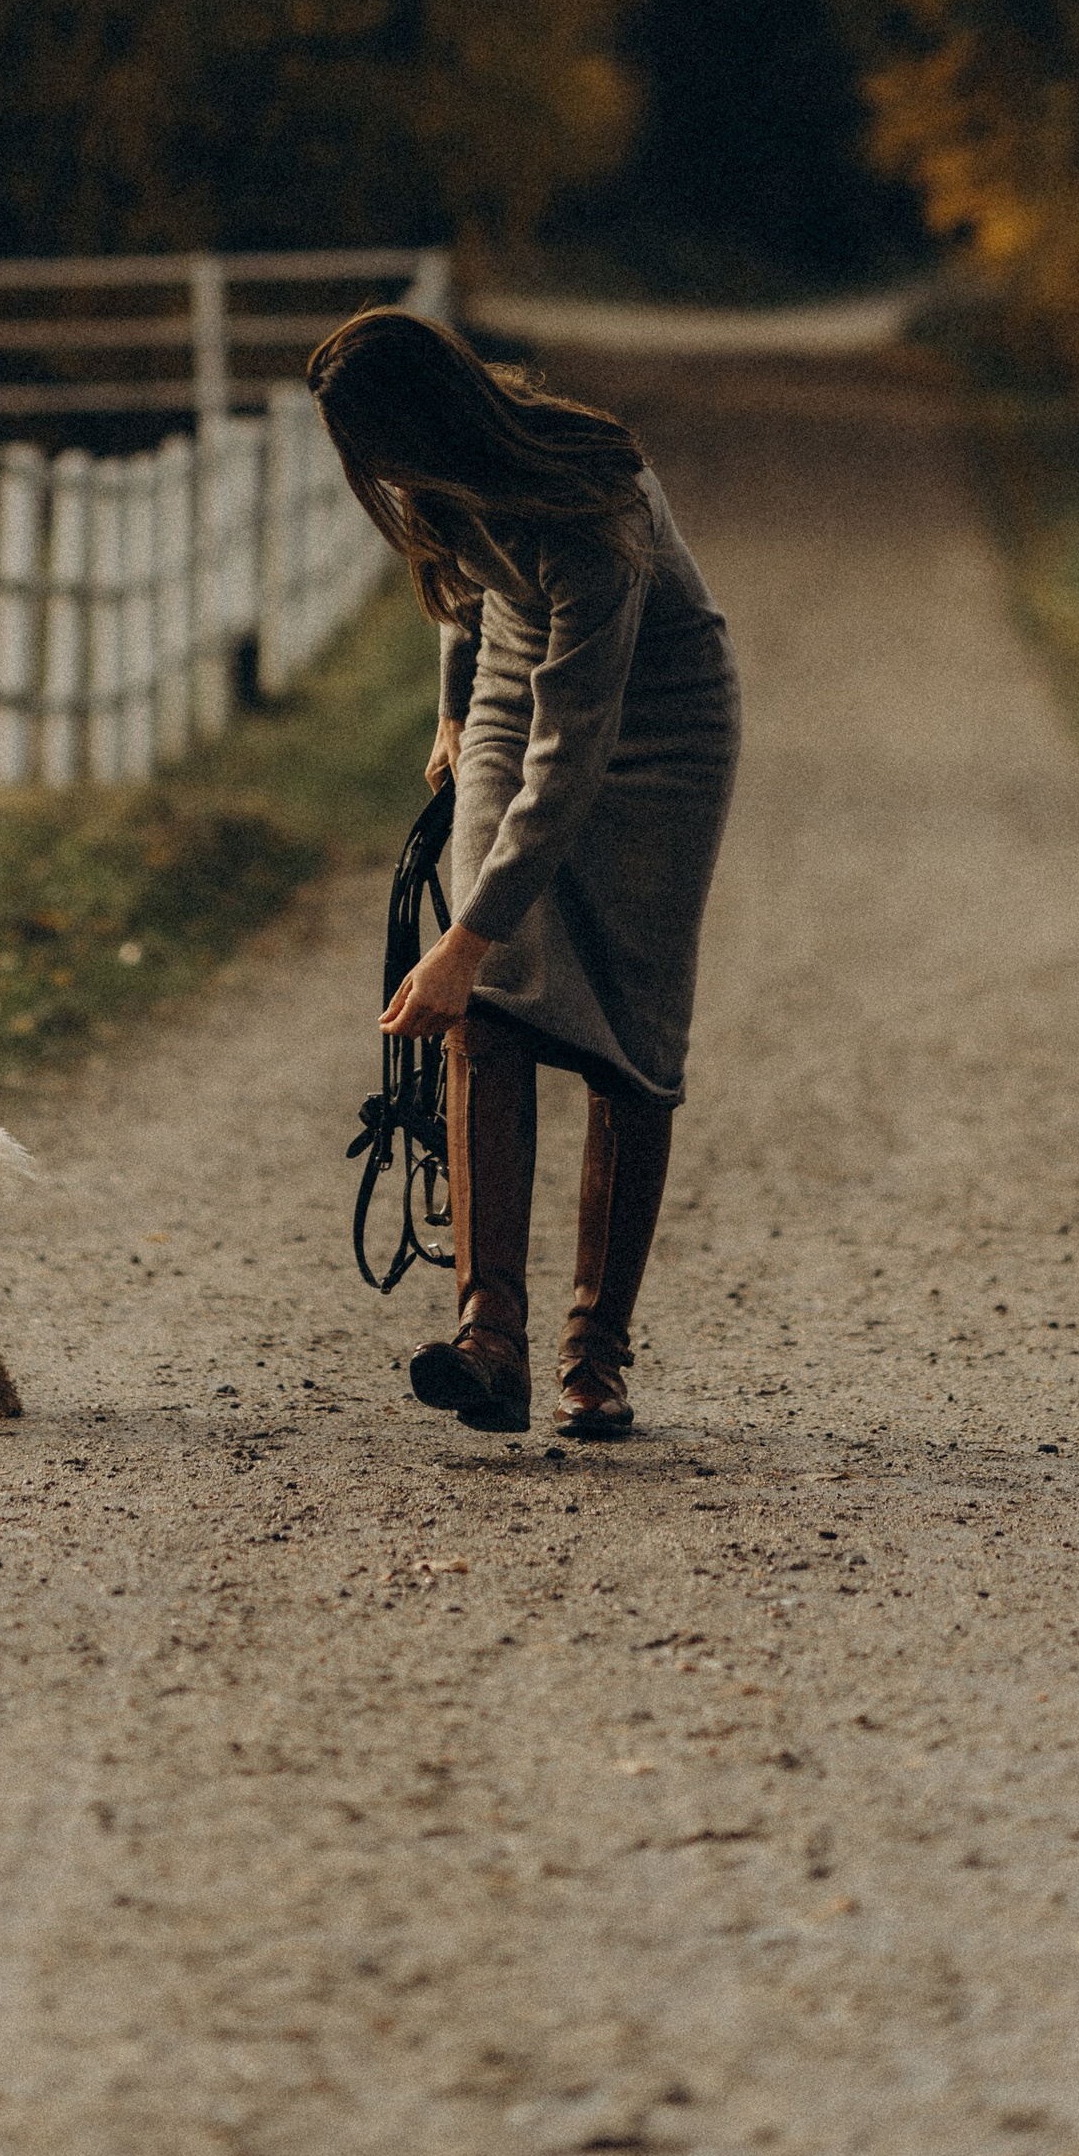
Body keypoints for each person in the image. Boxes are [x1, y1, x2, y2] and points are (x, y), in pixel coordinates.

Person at [306, 308, 742, 1441]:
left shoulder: (595, 501)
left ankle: (596, 1355)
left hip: (659, 728)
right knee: (487, 1014)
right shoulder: (434, 475)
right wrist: (453, 708)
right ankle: (487, 1339)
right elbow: (457, 587)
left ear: (436, 417)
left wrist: (461, 941)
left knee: (631, 1036)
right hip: (512, 688)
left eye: (388, 450)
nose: (385, 479)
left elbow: (575, 748)